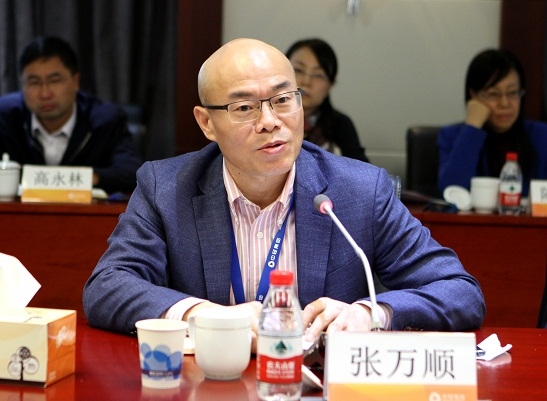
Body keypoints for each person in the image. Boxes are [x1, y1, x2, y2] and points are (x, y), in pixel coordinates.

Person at [83, 38, 485, 351]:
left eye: (282, 100)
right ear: (207, 123)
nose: (270, 121)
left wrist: (372, 313)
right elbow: (107, 286)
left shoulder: (360, 191)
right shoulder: (166, 187)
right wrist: (203, 316)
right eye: (244, 108)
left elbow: (460, 291)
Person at [0, 36, 143, 194]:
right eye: (34, 83)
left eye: (54, 81)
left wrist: (85, 178)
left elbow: (133, 174)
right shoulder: (5, 117)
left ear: (75, 81)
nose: (45, 93)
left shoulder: (106, 120)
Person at [438, 48, 547, 198]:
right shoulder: (451, 136)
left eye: (512, 92)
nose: (504, 103)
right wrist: (472, 127)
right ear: (474, 95)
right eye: (493, 94)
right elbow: (450, 191)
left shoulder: (542, 135)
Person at [285, 38, 369, 162]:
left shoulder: (340, 125)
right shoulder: (266, 119)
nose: (306, 82)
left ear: (330, 86)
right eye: (298, 70)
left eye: (318, 75)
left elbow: (362, 169)